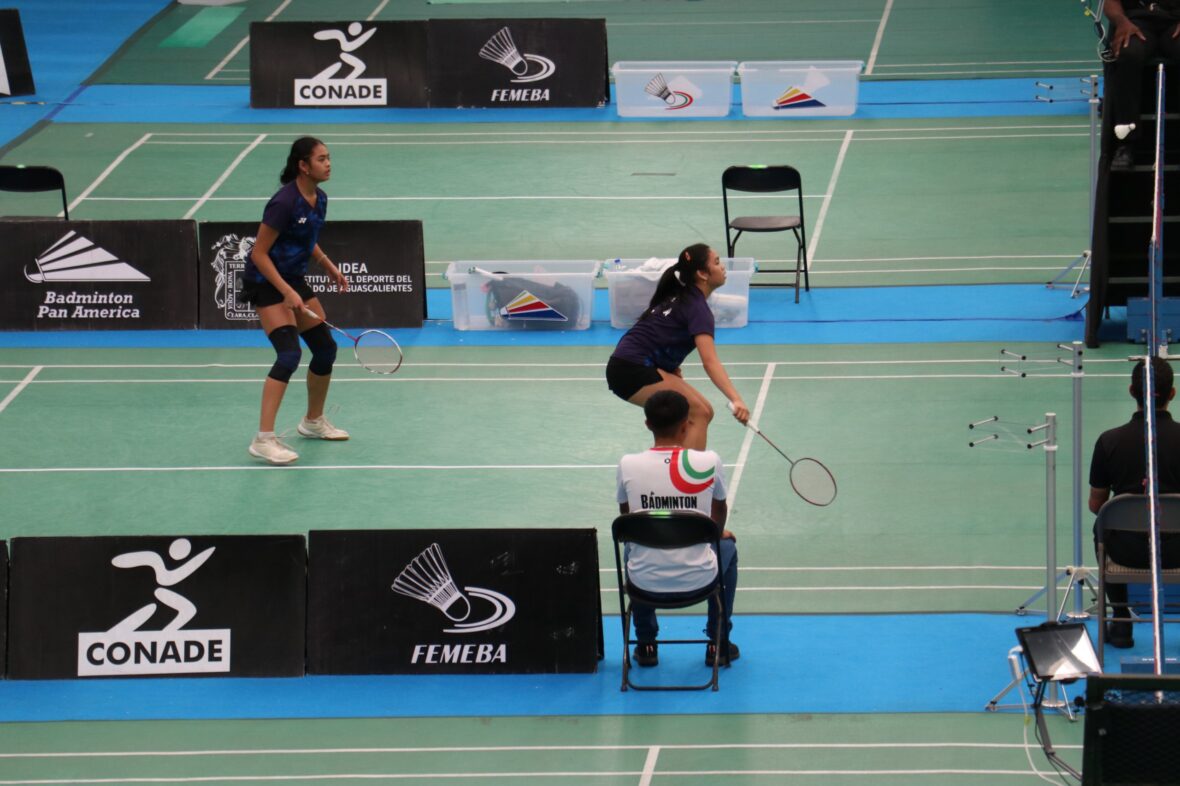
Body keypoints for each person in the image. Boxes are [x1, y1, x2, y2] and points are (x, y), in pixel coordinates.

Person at [244, 136, 350, 465]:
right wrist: (286, 291)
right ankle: (263, 439)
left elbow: (306, 239)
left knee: (325, 348)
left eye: (329, 158)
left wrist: (328, 266)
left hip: (292, 279)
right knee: (289, 354)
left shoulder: (319, 199)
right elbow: (259, 254)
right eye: (321, 159)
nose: (328, 164)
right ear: (302, 166)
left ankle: (313, 422)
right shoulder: (283, 203)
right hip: (265, 281)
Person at [616, 389, 740, 667]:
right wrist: (716, 532)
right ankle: (717, 642)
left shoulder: (628, 464)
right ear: (687, 424)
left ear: (647, 424)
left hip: (644, 584)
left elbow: (628, 522)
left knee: (634, 547)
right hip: (700, 581)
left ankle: (646, 643)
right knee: (727, 547)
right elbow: (718, 511)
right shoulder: (708, 462)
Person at [606, 243, 750, 450]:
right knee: (698, 412)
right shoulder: (697, 308)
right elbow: (710, 362)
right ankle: (689, 479)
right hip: (630, 369)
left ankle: (675, 468)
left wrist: (668, 367)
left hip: (633, 364)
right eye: (717, 263)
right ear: (702, 274)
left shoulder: (683, 296)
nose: (722, 267)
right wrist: (736, 399)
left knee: (704, 412)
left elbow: (656, 334)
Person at [1089, 356, 1180, 647]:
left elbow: (1096, 505)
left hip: (1127, 551)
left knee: (1102, 524)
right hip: (1178, 550)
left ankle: (1120, 619)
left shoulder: (1109, 441)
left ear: (1131, 391)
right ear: (1172, 393)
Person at [1102, 1, 1180, 169]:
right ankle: (1126, 143)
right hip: (1136, 21)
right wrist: (1121, 22)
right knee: (1128, 52)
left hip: (1176, 20)